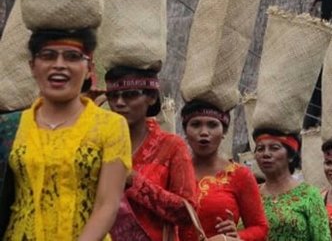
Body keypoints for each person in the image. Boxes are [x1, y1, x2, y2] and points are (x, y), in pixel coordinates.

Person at [4, 29, 131, 240]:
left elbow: (107, 205)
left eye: (72, 57)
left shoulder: (111, 126)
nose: (59, 65)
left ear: (89, 67)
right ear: (32, 66)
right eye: (48, 55)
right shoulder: (10, 127)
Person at [105, 66, 197, 241]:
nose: (119, 103)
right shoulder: (101, 145)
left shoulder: (172, 146)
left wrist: (134, 181)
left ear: (151, 97)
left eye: (130, 95)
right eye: (113, 96)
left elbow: (187, 213)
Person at [179, 100, 268, 241]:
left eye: (212, 125)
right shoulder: (173, 172)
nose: (204, 132)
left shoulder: (240, 175)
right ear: (185, 130)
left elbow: (260, 228)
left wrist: (235, 237)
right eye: (195, 124)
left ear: (224, 131)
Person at [252, 127, 330, 240]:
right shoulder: (251, 195)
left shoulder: (309, 195)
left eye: (274, 148)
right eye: (260, 149)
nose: (266, 154)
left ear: (290, 155)